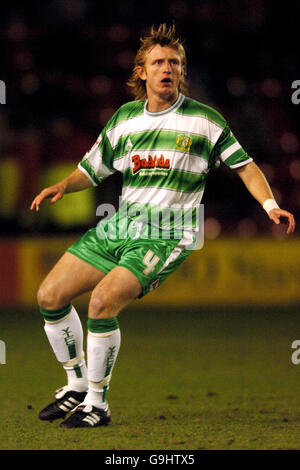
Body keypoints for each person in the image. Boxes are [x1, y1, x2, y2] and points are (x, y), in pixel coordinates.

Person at [30, 24, 295, 429]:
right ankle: (76, 385)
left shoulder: (204, 121)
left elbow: (246, 166)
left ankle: (97, 404)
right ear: (142, 72)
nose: (167, 68)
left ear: (181, 72)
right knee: (49, 295)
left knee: (102, 303)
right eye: (158, 62)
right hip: (120, 226)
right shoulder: (124, 119)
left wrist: (270, 204)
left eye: (174, 62)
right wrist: (64, 186)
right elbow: (92, 168)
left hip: (169, 232)